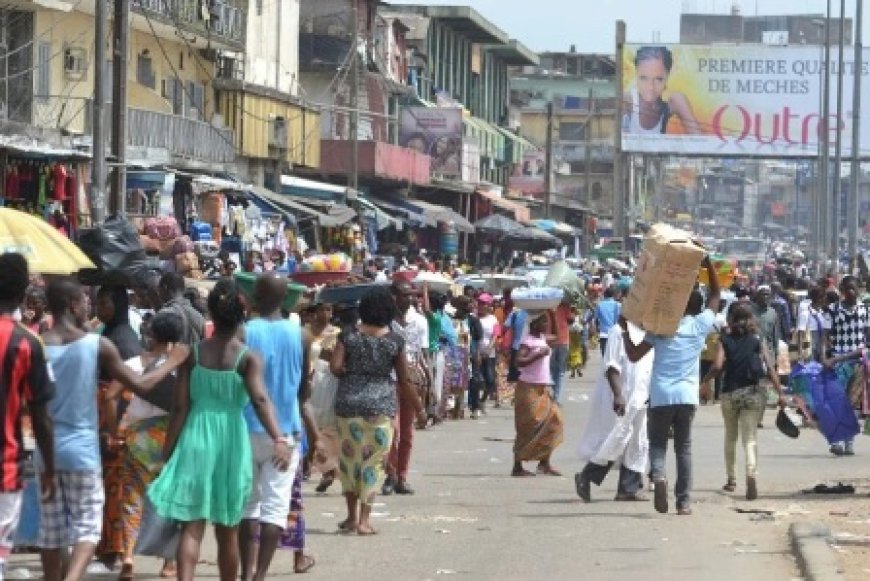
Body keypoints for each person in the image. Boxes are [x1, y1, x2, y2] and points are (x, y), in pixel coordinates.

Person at [39, 278, 188, 581]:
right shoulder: (98, 345)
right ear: (72, 305)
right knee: (87, 528)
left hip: (46, 448)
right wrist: (171, 361)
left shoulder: (36, 345)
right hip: (82, 449)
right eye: (84, 300)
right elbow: (143, 384)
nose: (89, 305)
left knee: (51, 531)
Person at [147, 279, 292, 581]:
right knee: (228, 529)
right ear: (242, 315)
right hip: (231, 440)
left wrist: (167, 453)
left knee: (192, 525)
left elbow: (179, 408)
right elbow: (261, 400)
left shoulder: (193, 354)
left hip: (196, 436)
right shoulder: (248, 357)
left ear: (211, 313)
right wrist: (279, 436)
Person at [619, 257, 721, 516]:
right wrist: (707, 264)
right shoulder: (700, 325)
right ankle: (684, 503)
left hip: (661, 394)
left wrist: (623, 330)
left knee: (658, 444)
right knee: (684, 448)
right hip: (687, 394)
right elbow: (717, 295)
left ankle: (660, 476)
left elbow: (633, 354)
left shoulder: (663, 328)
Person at [239, 274, 324, 581]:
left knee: (249, 506)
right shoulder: (300, 335)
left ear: (256, 296)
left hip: (247, 426)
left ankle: (246, 573)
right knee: (275, 507)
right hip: (285, 431)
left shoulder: (244, 332)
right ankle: (260, 575)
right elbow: (304, 391)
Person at [329, 287, 426, 535]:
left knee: (350, 462)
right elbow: (404, 382)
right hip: (380, 406)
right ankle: (364, 521)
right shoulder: (394, 341)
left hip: (348, 405)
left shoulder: (348, 335)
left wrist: (353, 370)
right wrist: (420, 409)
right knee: (373, 463)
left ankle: (350, 517)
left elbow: (336, 367)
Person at [110, 312, 183, 580]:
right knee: (171, 500)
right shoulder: (181, 366)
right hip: (172, 437)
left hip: (138, 438)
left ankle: (128, 556)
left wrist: (112, 429)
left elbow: (111, 396)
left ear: (150, 334)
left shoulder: (133, 364)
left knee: (132, 498)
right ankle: (168, 563)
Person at [0, 254, 55, 579]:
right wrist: (47, 467)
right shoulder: (28, 343)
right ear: (22, 295)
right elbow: (41, 414)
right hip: (5, 470)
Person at [703, 303, 785, 501]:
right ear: (751, 319)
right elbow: (770, 367)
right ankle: (751, 473)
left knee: (730, 437)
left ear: (730, 319)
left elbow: (717, 366)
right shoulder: (758, 339)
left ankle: (731, 479)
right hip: (753, 392)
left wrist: (703, 382)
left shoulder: (725, 340)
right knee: (750, 438)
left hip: (730, 393)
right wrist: (780, 393)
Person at [575, 320, 653, 502]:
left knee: (639, 441)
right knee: (618, 439)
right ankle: (586, 476)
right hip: (624, 396)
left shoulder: (650, 331)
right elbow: (612, 366)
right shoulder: (618, 331)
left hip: (642, 395)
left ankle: (628, 488)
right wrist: (618, 394)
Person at [384, 282, 429, 495]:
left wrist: (429, 380)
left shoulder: (419, 322)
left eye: (412, 295)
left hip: (412, 380)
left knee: (407, 432)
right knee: (392, 431)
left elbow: (422, 354)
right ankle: (390, 473)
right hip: (389, 379)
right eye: (404, 295)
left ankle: (402, 476)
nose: (409, 300)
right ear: (394, 297)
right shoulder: (384, 322)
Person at [511, 312, 564, 478]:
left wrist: (553, 313)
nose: (546, 325)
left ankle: (544, 463)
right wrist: (537, 354)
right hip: (528, 388)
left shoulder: (542, 338)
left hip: (543, 388)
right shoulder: (528, 341)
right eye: (543, 322)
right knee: (527, 426)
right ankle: (517, 466)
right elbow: (518, 361)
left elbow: (557, 336)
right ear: (533, 324)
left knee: (553, 422)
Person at [822, 276, 870, 456]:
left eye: (854, 288)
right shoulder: (832, 310)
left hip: (857, 362)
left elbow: (867, 341)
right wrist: (824, 357)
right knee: (836, 403)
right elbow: (825, 337)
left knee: (852, 404)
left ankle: (849, 441)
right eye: (847, 289)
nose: (851, 292)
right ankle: (836, 441)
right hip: (836, 364)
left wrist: (845, 356)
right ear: (841, 289)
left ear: (859, 288)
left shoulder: (866, 310)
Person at [622, 47, 701, 135]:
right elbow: (622, 144)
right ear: (636, 74)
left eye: (658, 79)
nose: (651, 87)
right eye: (644, 78)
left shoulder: (673, 102)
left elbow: (699, 139)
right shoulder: (627, 101)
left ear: (667, 77)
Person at [306, 302, 341, 494]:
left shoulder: (336, 334)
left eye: (330, 309)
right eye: (322, 309)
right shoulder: (304, 332)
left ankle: (327, 469)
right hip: (307, 380)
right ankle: (311, 463)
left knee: (326, 427)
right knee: (309, 425)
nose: (326, 313)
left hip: (325, 381)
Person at [750, 286, 781, 429]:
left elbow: (775, 336)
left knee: (763, 387)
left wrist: (775, 355)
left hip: (767, 353)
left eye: (768, 295)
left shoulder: (773, 313)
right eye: (762, 294)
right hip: (750, 352)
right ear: (757, 296)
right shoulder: (750, 311)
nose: (765, 297)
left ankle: (758, 417)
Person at [158, 272, 206, 345]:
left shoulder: (163, 315)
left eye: (159, 290)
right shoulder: (198, 315)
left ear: (165, 287)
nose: (159, 294)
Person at [548, 301, 574, 404]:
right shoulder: (565, 305)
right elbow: (571, 320)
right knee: (560, 371)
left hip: (551, 341)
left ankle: (553, 394)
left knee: (551, 369)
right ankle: (556, 397)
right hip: (562, 341)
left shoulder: (546, 304)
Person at [477, 294, 500, 409]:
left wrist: (489, 348)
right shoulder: (474, 317)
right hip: (476, 352)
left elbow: (495, 335)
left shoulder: (493, 319)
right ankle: (477, 400)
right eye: (480, 303)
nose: (481, 306)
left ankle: (484, 398)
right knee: (478, 378)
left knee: (489, 378)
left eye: (484, 303)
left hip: (489, 353)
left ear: (488, 305)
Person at [594, 287, 621, 356]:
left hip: (603, 335)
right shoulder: (617, 305)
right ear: (613, 295)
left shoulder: (599, 305)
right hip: (615, 335)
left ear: (604, 295)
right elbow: (619, 320)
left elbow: (596, 319)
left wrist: (597, 330)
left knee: (605, 357)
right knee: (614, 358)